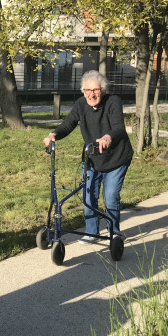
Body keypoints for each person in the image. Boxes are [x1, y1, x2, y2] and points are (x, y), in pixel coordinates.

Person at [43, 70, 133, 243]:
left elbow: (119, 127)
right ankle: (91, 232)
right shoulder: (80, 105)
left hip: (116, 158)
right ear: (83, 91)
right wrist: (54, 134)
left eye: (96, 90)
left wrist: (108, 137)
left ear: (103, 89)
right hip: (92, 157)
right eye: (88, 90)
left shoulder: (113, 102)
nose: (92, 94)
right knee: (88, 195)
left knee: (110, 195)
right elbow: (68, 124)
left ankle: (114, 233)